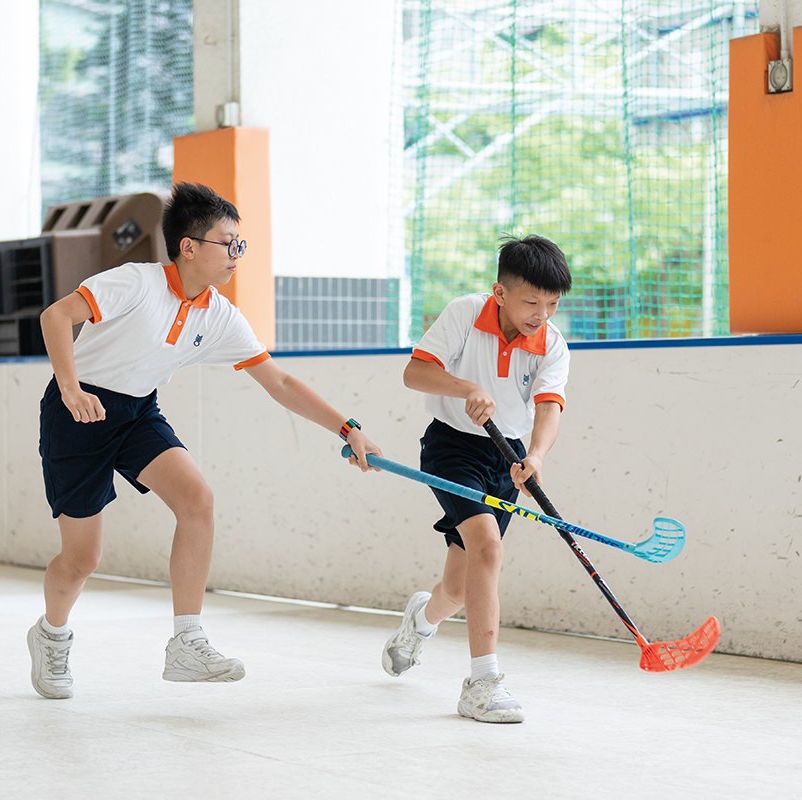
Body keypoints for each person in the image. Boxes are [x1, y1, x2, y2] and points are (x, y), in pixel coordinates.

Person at [28, 182, 381, 699]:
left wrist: (348, 428)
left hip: (136, 411)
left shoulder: (218, 314)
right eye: (227, 243)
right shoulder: (135, 282)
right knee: (83, 559)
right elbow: (55, 316)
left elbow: (279, 382)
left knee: (198, 500)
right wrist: (71, 387)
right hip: (77, 411)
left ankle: (186, 642)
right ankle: (52, 634)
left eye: (241, 244)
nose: (237, 254)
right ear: (189, 247)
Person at [381, 235, 571, 723]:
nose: (541, 314)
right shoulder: (466, 313)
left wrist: (537, 456)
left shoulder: (551, 344)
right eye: (532, 301)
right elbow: (415, 373)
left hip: (506, 457)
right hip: (452, 446)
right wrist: (467, 387)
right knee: (488, 548)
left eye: (552, 304)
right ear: (500, 292)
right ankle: (482, 682)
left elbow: (549, 406)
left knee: (461, 586)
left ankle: (419, 623)